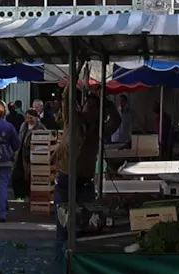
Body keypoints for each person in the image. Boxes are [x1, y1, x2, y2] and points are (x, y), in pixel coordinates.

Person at [54, 89, 121, 242]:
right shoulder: (72, 121)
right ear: (82, 107)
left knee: (86, 219)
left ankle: (79, 249)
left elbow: (117, 120)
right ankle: (62, 250)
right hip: (66, 177)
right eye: (87, 105)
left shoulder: (99, 130)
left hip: (84, 180)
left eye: (94, 107)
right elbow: (66, 98)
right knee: (63, 220)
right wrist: (77, 69)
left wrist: (106, 101)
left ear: (99, 111)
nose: (89, 109)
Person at [14, 108, 46, 198]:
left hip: (31, 156)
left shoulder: (40, 127)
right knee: (19, 176)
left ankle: (29, 196)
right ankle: (21, 196)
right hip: (20, 154)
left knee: (29, 177)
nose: (29, 120)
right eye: (27, 117)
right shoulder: (23, 126)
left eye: (31, 117)